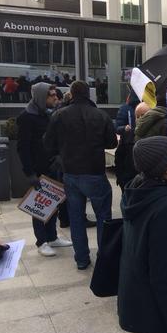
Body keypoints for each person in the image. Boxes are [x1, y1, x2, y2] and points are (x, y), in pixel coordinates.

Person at [118, 136, 167, 333]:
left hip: (137, 302)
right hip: (157, 314)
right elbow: (164, 274)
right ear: (166, 168)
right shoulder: (165, 209)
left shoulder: (136, 188)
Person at [44, 81, 117, 270]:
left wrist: (62, 156)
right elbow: (111, 142)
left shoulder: (59, 115)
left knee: (76, 218)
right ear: (89, 95)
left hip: (71, 173)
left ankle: (82, 259)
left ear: (71, 94)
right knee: (103, 217)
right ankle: (105, 258)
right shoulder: (101, 115)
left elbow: (48, 145)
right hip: (95, 172)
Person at [16, 82, 72, 257]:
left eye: (56, 95)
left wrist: (57, 156)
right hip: (38, 169)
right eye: (52, 95)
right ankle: (42, 241)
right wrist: (29, 172)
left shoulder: (48, 114)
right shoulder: (27, 117)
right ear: (41, 97)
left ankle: (52, 236)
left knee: (53, 203)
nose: (56, 97)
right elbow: (22, 147)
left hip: (52, 166)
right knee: (40, 205)